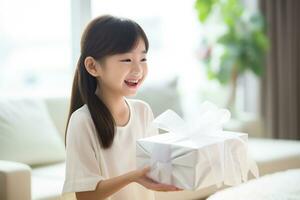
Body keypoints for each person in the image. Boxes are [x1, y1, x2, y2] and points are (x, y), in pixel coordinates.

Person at [61, 15, 181, 200]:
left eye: (143, 59)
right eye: (126, 60)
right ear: (93, 66)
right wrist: (134, 177)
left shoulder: (143, 111)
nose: (138, 70)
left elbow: (155, 168)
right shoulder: (83, 121)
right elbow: (85, 195)